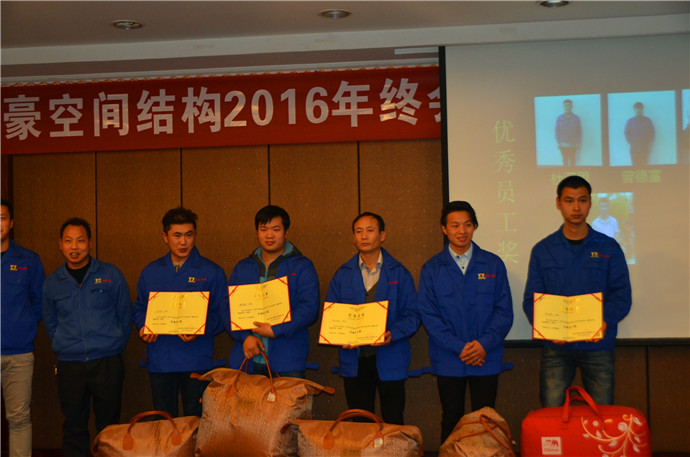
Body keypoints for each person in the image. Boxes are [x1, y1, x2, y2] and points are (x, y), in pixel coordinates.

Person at [523, 176, 632, 407]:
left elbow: (621, 295)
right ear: (558, 203)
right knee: (552, 410)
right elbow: (531, 299)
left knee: (602, 412)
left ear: (590, 203)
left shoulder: (608, 247)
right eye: (569, 201)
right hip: (556, 347)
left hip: (598, 346)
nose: (576, 207)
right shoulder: (543, 250)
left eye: (582, 200)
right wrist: (547, 329)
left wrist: (604, 321)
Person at [418, 201, 513, 442]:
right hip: (449, 357)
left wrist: (482, 345)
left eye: (467, 225)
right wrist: (459, 347)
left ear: (475, 226)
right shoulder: (432, 268)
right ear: (444, 229)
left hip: (485, 355)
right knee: (452, 417)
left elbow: (504, 312)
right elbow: (429, 316)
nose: (462, 231)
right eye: (455, 225)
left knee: (486, 420)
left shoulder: (493, 264)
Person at [42, 217, 132, 457]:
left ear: (90, 243)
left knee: (109, 428)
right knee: (73, 427)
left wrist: (114, 344)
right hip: (70, 365)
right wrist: (64, 343)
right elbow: (50, 322)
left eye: (80, 241)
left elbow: (125, 314)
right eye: (68, 241)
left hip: (107, 362)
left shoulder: (111, 274)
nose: (74, 247)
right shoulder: (52, 283)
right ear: (60, 244)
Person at [326, 212, 419, 425]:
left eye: (370, 230)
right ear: (353, 237)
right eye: (359, 231)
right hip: (354, 360)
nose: (364, 236)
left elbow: (413, 315)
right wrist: (340, 336)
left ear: (382, 235)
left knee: (393, 422)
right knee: (360, 423)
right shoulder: (342, 274)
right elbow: (331, 314)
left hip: (390, 356)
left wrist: (393, 333)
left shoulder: (399, 273)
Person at [133, 207, 226, 417]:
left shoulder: (212, 272)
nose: (183, 242)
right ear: (165, 237)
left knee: (196, 420)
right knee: (165, 422)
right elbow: (140, 307)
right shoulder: (151, 272)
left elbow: (222, 313)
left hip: (196, 359)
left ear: (195, 235)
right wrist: (144, 326)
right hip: (160, 359)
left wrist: (201, 328)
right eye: (177, 235)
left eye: (188, 235)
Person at [224, 205, 319, 378]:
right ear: (257, 232)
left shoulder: (302, 266)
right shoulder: (243, 267)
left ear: (286, 232)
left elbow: (309, 308)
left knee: (287, 398)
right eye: (264, 229)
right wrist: (245, 337)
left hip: (287, 359)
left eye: (276, 229)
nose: (269, 235)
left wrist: (277, 329)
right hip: (246, 356)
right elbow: (227, 307)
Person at [1, 199, 45, 457]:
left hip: (18, 354)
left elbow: (40, 302)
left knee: (19, 419)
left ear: (11, 223)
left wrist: (25, 326)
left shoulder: (29, 260)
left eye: (2, 217)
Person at [624, 101, 655, 166]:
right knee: (635, 167)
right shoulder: (630, 121)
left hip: (644, 148)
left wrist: (646, 142)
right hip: (634, 149)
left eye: (640, 108)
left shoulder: (648, 121)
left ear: (643, 109)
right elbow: (626, 133)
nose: (639, 110)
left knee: (644, 166)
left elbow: (652, 133)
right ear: (634, 110)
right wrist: (632, 142)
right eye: (637, 108)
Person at [555, 99, 582, 167]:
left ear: (571, 107)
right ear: (563, 107)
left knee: (572, 159)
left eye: (569, 105)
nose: (567, 107)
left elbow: (579, 131)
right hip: (563, 144)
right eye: (565, 105)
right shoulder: (559, 118)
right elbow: (557, 131)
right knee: (565, 159)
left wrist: (578, 142)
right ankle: (565, 172)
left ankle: (572, 172)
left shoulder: (576, 118)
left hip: (573, 144)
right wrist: (558, 142)